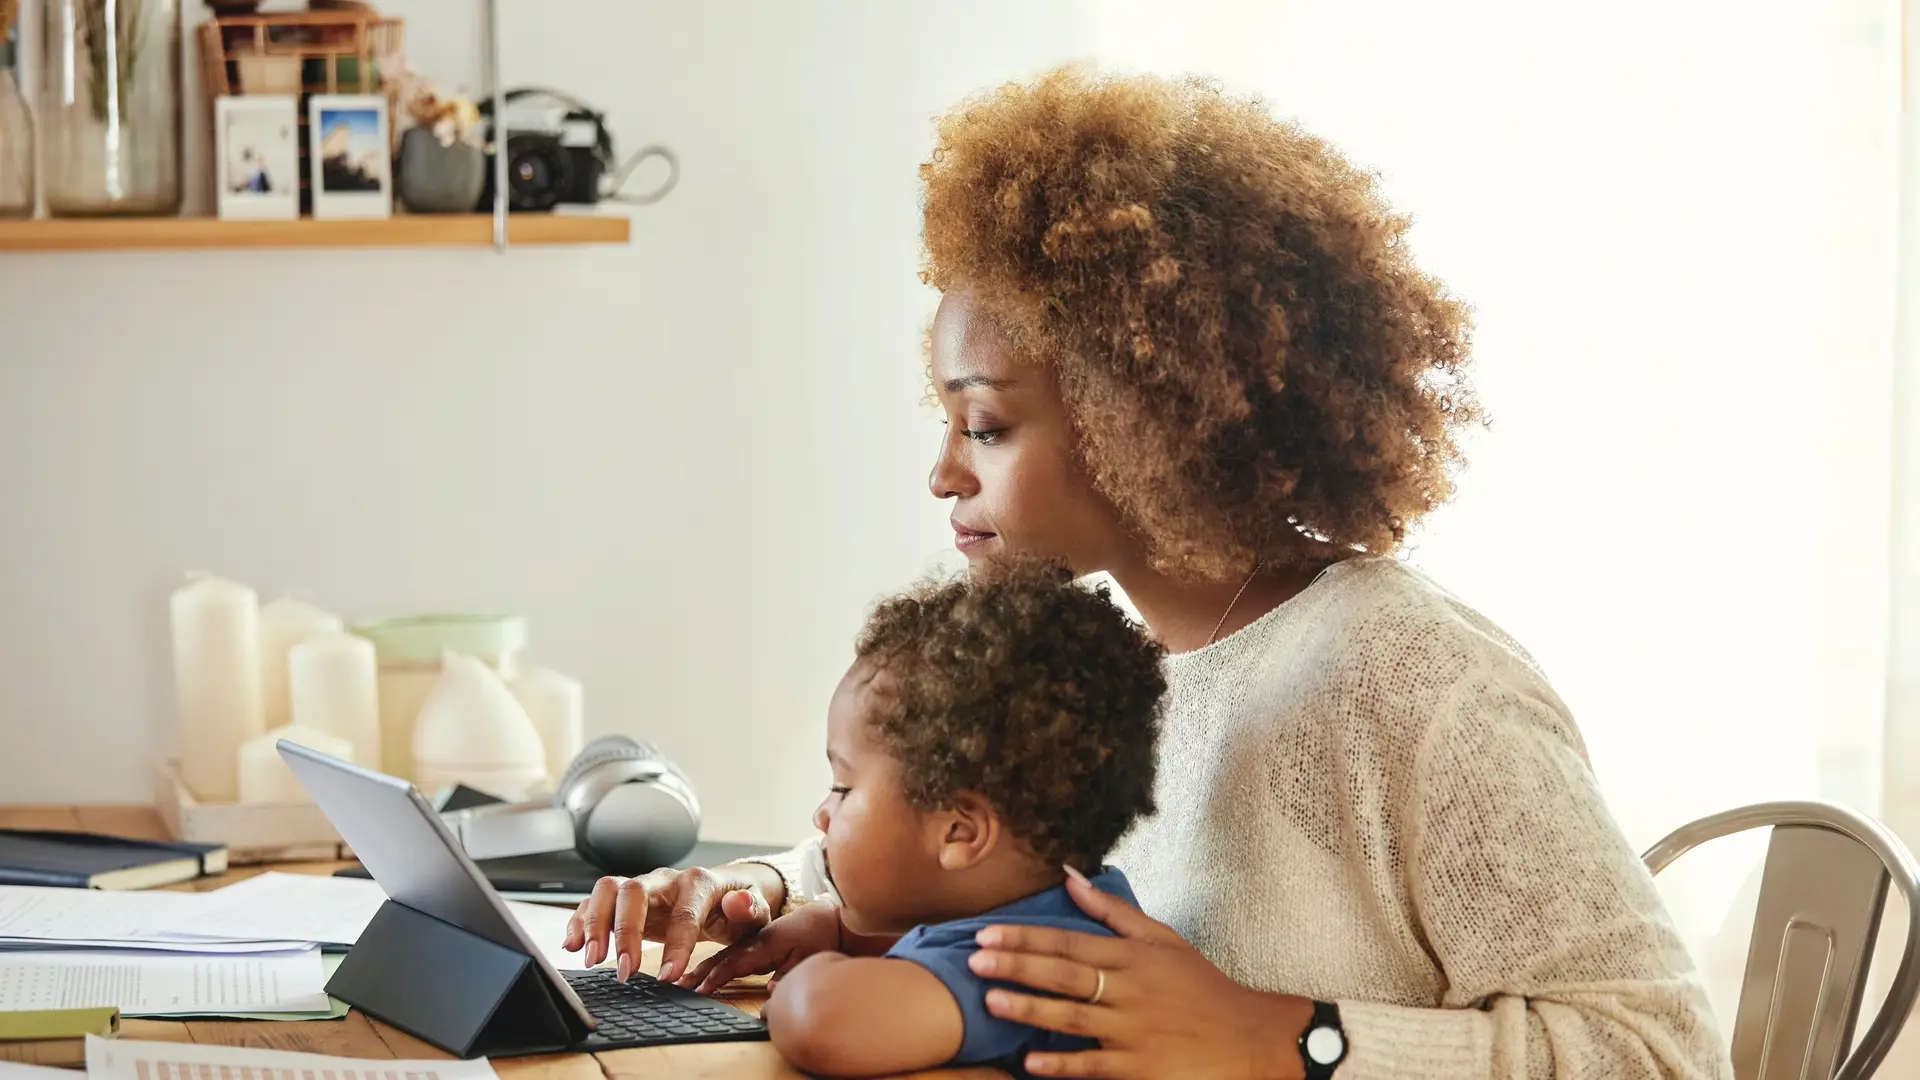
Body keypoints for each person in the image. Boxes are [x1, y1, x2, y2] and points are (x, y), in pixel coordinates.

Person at [563, 65, 1733, 1080]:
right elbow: (973, 844)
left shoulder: (1409, 677)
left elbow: (1665, 1052)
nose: (942, 476)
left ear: (1146, 416)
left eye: (986, 426)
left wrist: (1295, 1042)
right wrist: (760, 893)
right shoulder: (1118, 661)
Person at [748, 559, 1166, 1077]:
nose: (822, 815)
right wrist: (838, 933)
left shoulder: (1026, 961)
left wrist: (805, 982)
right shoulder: (1086, 908)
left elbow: (824, 1020)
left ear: (960, 832)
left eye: (844, 787)